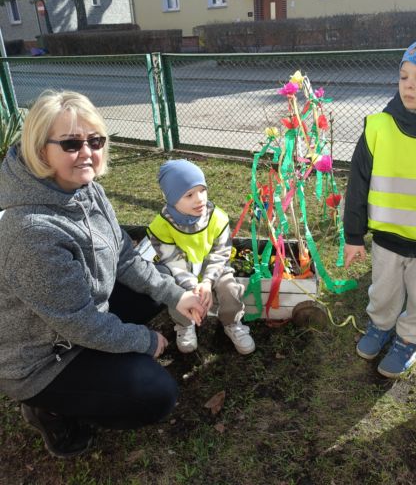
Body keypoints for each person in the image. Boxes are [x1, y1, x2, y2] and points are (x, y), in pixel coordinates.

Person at [0, 90, 206, 459]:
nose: (87, 152)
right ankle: (48, 410)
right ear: (40, 149)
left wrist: (176, 295)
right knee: (154, 394)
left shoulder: (85, 188)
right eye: (71, 143)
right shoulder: (31, 231)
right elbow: (79, 324)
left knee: (155, 286)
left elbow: (124, 257)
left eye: (95, 141)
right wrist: (143, 340)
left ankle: (101, 366)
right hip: (42, 359)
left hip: (74, 318)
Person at [344, 32, 416, 378]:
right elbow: (358, 185)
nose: (409, 85)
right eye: (403, 76)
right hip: (387, 240)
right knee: (383, 291)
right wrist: (353, 236)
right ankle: (380, 325)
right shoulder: (378, 127)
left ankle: (408, 339)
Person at [147, 159, 256, 355]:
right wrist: (191, 287)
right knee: (176, 292)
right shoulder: (161, 226)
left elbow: (221, 252)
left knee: (229, 288)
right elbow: (172, 260)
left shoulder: (217, 217)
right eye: (189, 195)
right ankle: (185, 324)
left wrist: (207, 281)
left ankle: (232, 322)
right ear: (171, 198)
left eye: (202, 190)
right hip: (182, 272)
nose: (199, 199)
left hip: (213, 268)